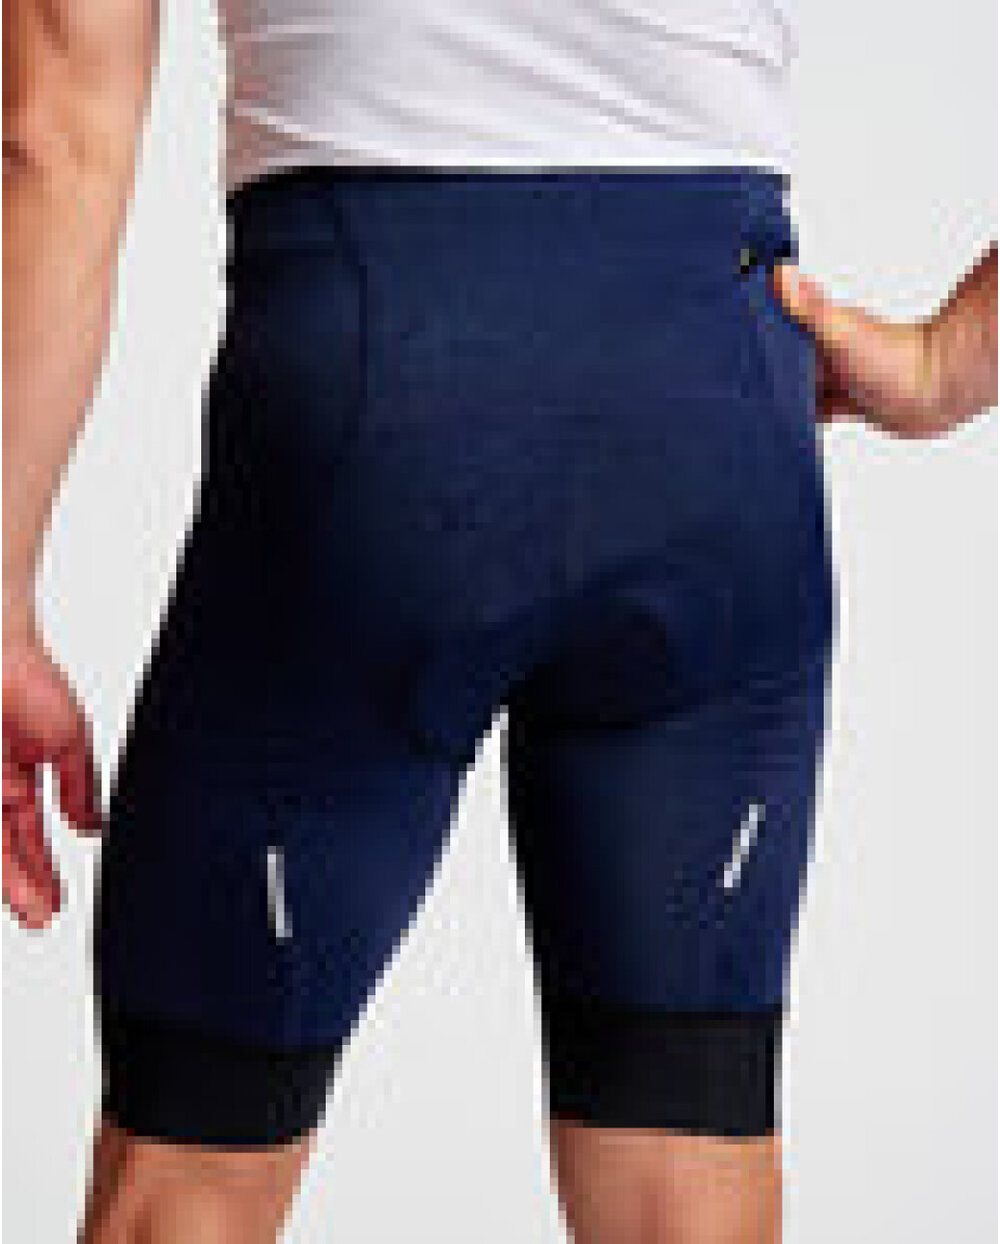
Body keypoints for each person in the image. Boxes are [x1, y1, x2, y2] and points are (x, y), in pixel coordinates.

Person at [3, 2, 995, 1241]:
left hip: (370, 416)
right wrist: (950, 362)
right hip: (712, 434)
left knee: (187, 1181)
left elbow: (56, 132)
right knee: (685, 1170)